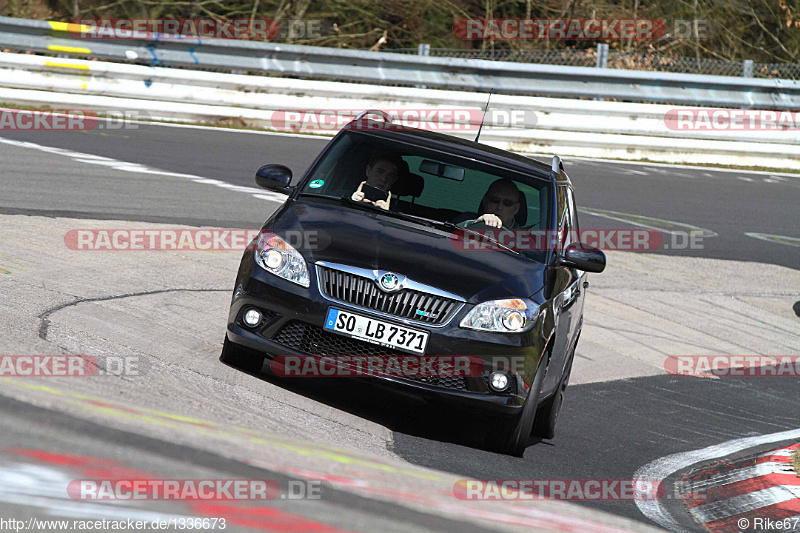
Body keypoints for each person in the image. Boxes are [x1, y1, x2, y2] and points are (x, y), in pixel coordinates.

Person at [456, 179, 522, 229]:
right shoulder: (466, 220)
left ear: (516, 209)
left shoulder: (523, 238)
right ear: (485, 201)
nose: (499, 207)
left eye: (507, 203)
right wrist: (476, 224)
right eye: (495, 200)